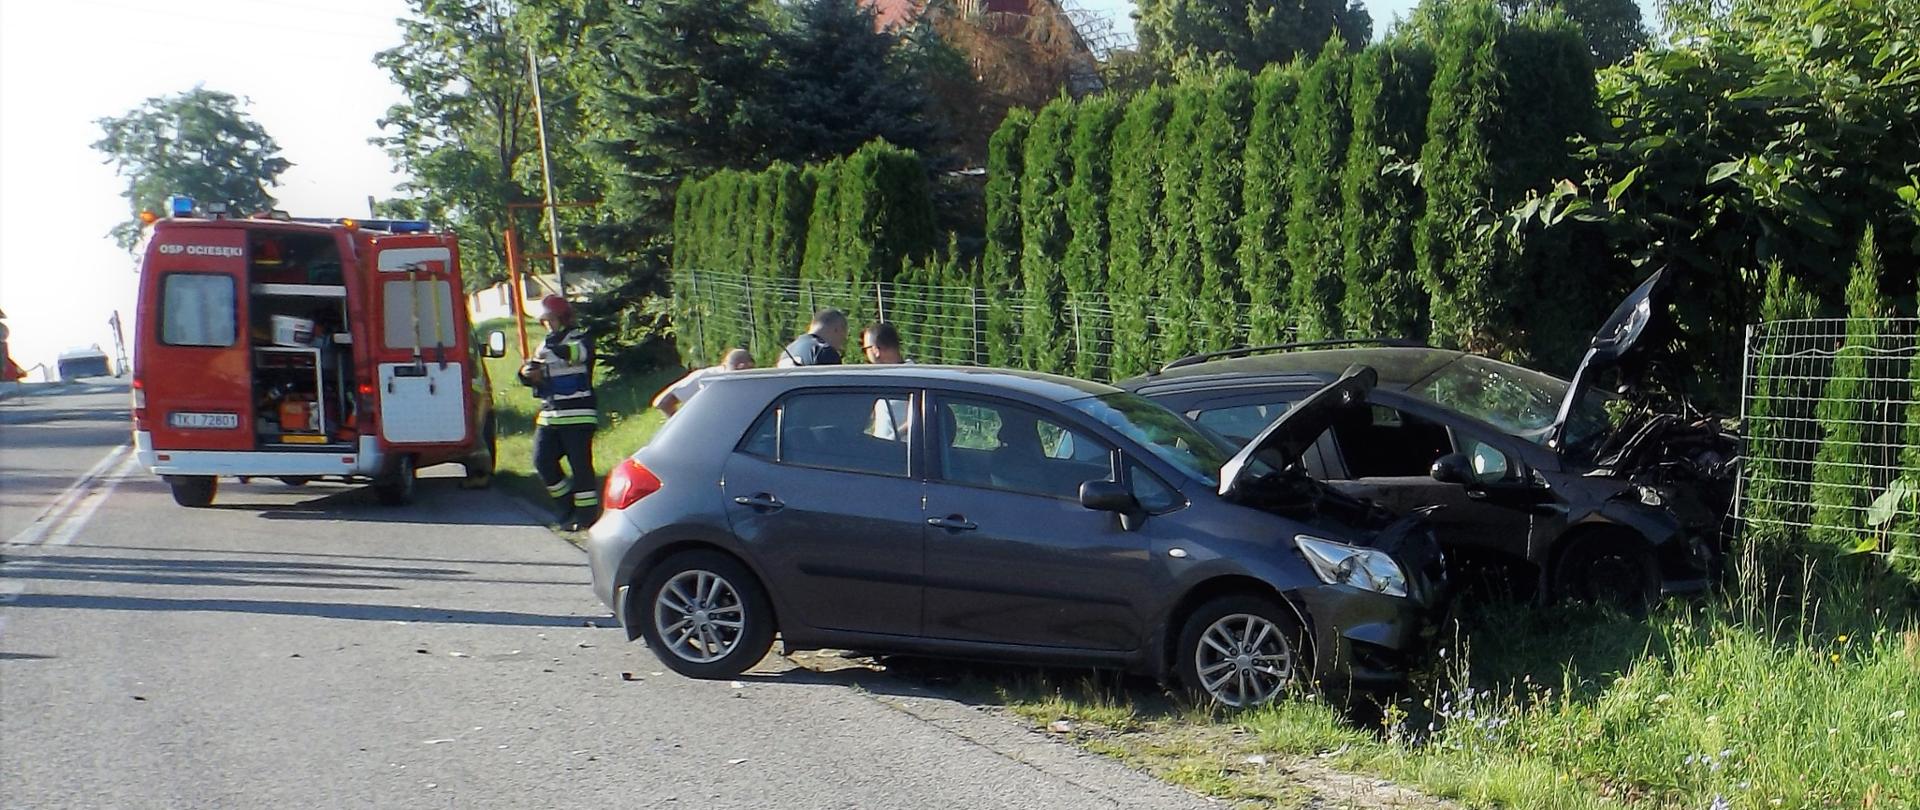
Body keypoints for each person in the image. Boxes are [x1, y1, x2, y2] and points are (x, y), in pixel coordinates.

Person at [518, 295, 599, 530]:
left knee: (580, 466)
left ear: (563, 318)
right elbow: (532, 371)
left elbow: (576, 354)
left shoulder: (581, 338)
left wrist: (551, 349)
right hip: (550, 414)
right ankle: (566, 507)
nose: (547, 325)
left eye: (551, 319)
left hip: (579, 414)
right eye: (544, 321)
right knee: (542, 461)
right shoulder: (543, 345)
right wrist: (526, 374)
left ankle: (586, 517)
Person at [653, 348, 754, 416]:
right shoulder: (706, 377)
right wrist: (685, 428)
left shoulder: (748, 382)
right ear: (741, 366)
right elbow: (663, 402)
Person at [863, 322, 913, 441]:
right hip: (882, 452)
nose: (866, 354)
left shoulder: (911, 377)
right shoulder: (883, 377)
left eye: (866, 349)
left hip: (901, 452)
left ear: (875, 350)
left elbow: (921, 414)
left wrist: (894, 437)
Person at [776, 309, 847, 368]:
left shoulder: (786, 353)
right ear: (836, 330)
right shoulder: (823, 352)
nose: (840, 347)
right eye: (842, 339)